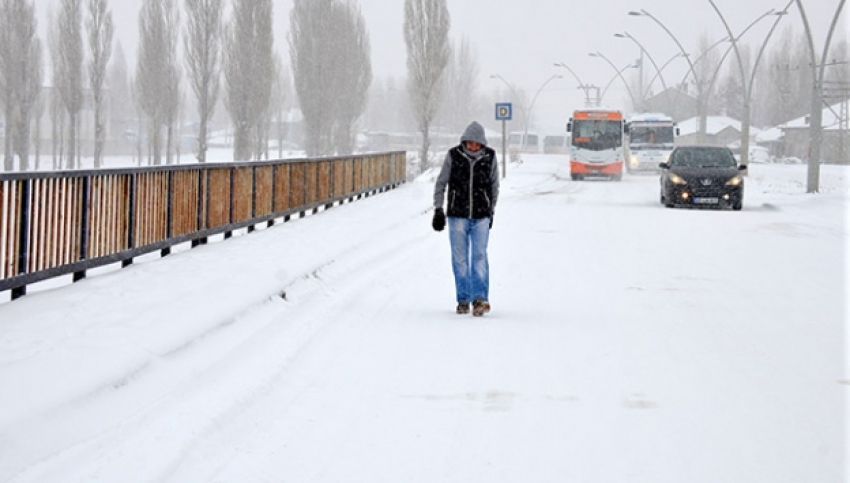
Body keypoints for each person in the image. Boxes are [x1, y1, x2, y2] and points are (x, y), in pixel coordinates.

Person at [432, 121, 500, 317]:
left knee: (479, 256)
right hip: (457, 216)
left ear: (482, 144)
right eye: (469, 143)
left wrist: (491, 211)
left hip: (481, 216)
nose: (473, 147)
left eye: (476, 144)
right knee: (460, 259)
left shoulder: (490, 157)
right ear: (464, 141)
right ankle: (463, 299)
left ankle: (479, 299)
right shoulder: (454, 156)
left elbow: (494, 186)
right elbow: (441, 182)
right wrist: (438, 209)